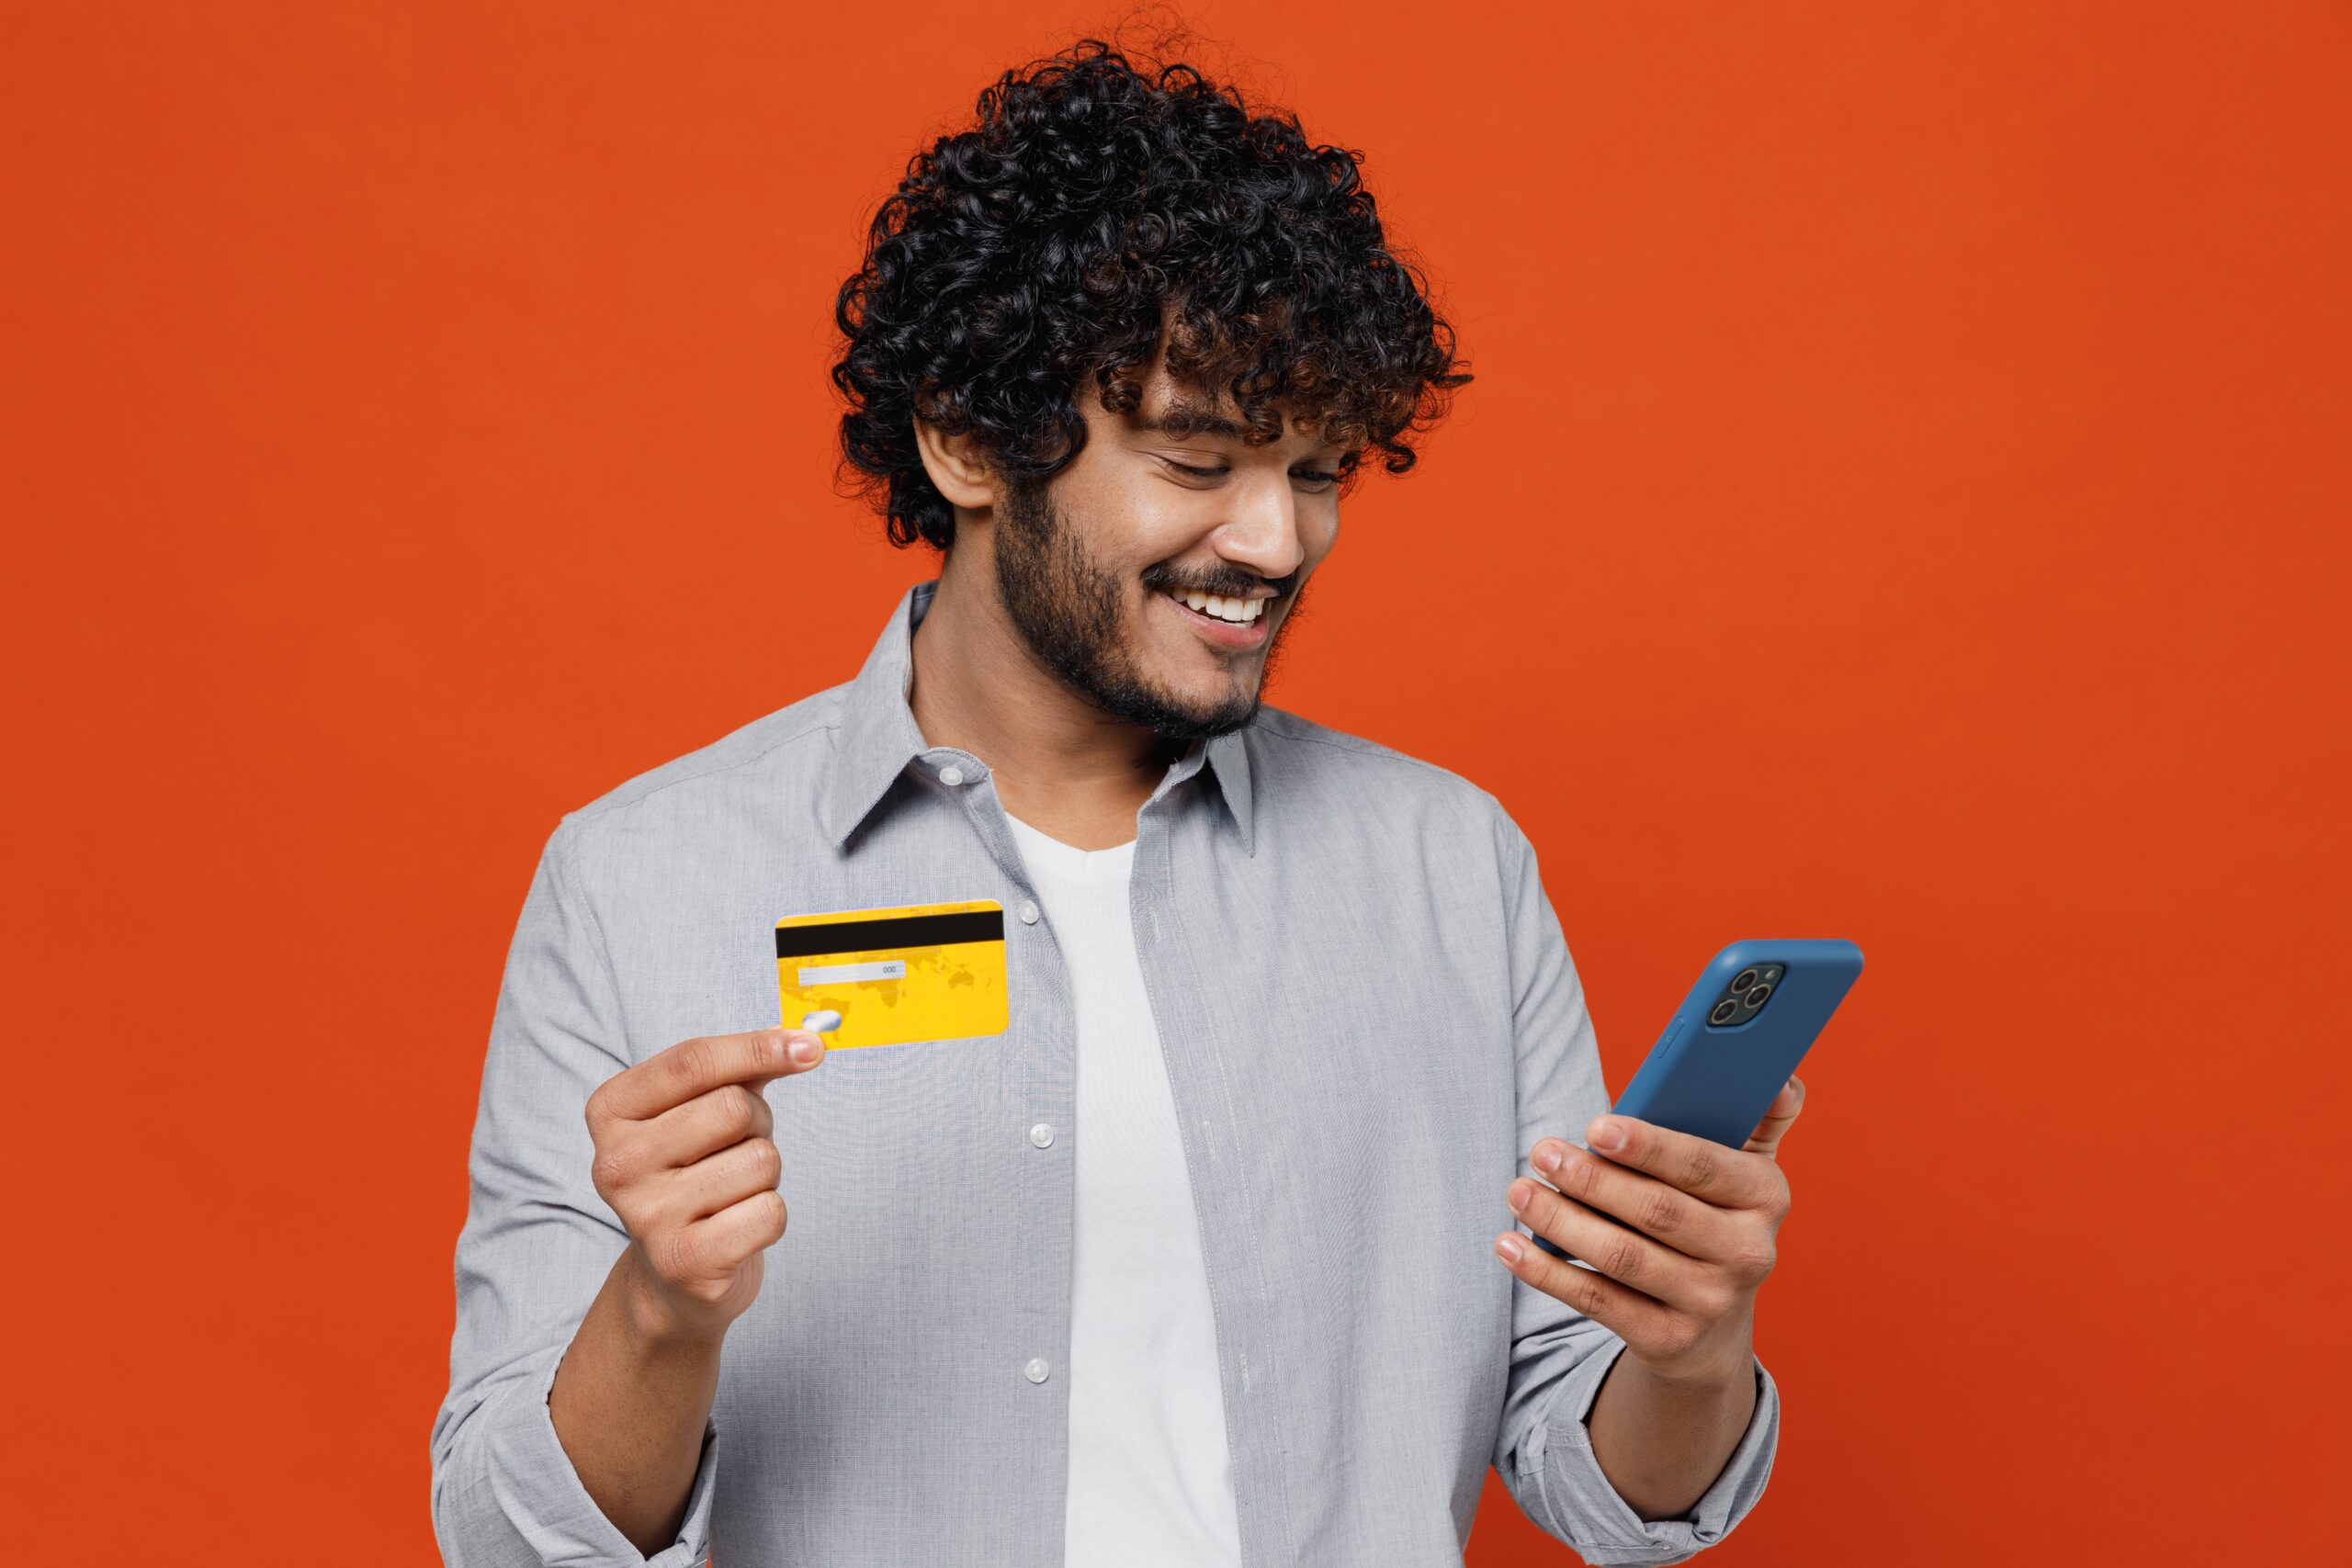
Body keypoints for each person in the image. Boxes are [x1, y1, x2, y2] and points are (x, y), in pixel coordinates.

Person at [431, 37, 1800, 1568]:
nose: (1277, 543)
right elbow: (507, 1540)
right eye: (1198, 461)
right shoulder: (642, 881)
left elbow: (1607, 1489)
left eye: (1319, 471)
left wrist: (1690, 1346)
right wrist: (660, 1315)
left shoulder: (1449, 870)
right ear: (968, 442)